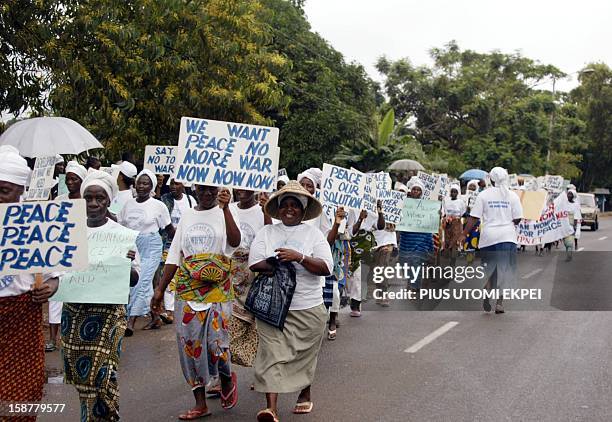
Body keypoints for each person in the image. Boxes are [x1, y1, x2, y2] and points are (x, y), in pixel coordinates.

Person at [151, 184, 240, 419]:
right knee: (190, 345)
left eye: (211, 189)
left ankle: (226, 377)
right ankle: (200, 403)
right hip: (188, 287)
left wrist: (226, 208)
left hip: (217, 286)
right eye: (202, 190)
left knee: (217, 344)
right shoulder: (188, 214)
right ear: (195, 190)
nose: (207, 194)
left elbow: (235, 241)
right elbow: (174, 253)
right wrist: (160, 290)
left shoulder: (225, 211)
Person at [248, 181, 333, 421]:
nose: (289, 209)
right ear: (277, 208)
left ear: (303, 210)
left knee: (304, 355)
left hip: (308, 307)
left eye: (295, 205)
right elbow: (254, 263)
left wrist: (300, 257)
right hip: (273, 308)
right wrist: (279, 262)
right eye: (284, 204)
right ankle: (270, 409)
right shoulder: (267, 232)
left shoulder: (314, 234)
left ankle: (304, 392)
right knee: (271, 354)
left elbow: (326, 267)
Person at [61, 169, 140, 421]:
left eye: (100, 198)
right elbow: (57, 272)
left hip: (108, 315)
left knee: (103, 373)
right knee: (82, 375)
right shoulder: (69, 231)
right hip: (74, 314)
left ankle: (108, 416)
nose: (94, 204)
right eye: (89, 198)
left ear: (108, 201)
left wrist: (125, 265)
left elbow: (134, 278)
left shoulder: (120, 235)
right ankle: (88, 416)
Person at [0, 145, 60, 414]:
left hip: (22, 321)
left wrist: (48, 288)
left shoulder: (37, 225)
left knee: (20, 397)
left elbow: (54, 276)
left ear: (21, 190)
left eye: (3, 191)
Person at [118, 169, 175, 334]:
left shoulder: (158, 206)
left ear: (152, 186)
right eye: (140, 183)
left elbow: (170, 229)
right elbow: (120, 224)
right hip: (132, 246)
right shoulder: (128, 204)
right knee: (142, 285)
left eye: (146, 183)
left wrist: (179, 248)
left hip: (151, 246)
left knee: (140, 282)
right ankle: (156, 317)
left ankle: (130, 320)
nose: (142, 186)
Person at [462, 167, 523, 314]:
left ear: (491, 179)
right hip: (508, 238)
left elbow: (474, 217)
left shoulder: (484, 195)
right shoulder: (512, 196)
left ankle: (487, 291)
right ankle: (499, 304)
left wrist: (463, 234)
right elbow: (518, 218)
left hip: (489, 238)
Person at [47, 160, 87, 353]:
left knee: (76, 294)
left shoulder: (88, 201)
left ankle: (74, 334)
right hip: (60, 251)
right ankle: (53, 338)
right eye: (68, 179)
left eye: (74, 179)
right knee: (55, 295)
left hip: (79, 253)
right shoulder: (59, 200)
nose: (70, 182)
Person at [159, 178, 197, 324]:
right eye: (172, 183)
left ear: (184, 185)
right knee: (168, 275)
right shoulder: (164, 200)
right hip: (169, 243)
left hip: (187, 244)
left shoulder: (191, 201)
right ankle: (169, 310)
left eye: (177, 183)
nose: (173, 186)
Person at [349, 203, 385, 315]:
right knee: (353, 275)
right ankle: (353, 301)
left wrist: (380, 211)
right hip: (354, 244)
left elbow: (380, 226)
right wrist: (360, 219)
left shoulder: (372, 209)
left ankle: (356, 304)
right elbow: (352, 231)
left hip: (366, 245)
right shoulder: (351, 208)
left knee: (360, 275)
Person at [397, 181, 434, 290]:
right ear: (410, 191)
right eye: (414, 189)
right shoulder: (403, 204)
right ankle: (410, 281)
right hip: (406, 240)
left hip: (421, 240)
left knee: (416, 263)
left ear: (421, 192)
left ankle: (414, 287)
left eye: (418, 190)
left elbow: (429, 224)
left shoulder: (427, 206)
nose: (416, 191)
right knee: (406, 265)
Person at [442, 184, 467, 267]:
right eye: (452, 191)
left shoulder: (461, 202)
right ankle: (446, 260)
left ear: (458, 193)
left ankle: (453, 261)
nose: (453, 193)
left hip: (456, 224)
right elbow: (444, 212)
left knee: (455, 242)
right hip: (448, 224)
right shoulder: (446, 201)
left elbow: (463, 213)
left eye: (455, 192)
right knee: (447, 241)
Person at [554, 189, 582, 261]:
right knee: (566, 242)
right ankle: (569, 252)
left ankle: (569, 255)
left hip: (571, 224)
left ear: (573, 196)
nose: (569, 195)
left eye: (570, 194)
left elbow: (576, 216)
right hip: (563, 224)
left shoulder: (575, 205)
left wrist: (574, 226)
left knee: (569, 241)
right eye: (568, 194)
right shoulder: (564, 203)